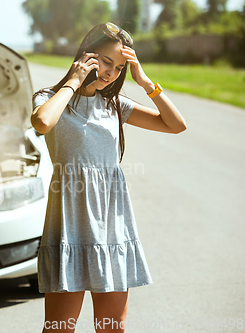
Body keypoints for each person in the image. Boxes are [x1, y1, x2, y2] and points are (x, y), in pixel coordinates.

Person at [31, 22, 187, 333]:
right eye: (105, 61)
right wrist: (74, 81)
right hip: (70, 227)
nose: (110, 73)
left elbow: (176, 125)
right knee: (59, 329)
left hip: (111, 225)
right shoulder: (52, 98)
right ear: (85, 54)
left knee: (112, 328)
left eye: (119, 67)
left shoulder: (115, 104)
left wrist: (144, 82)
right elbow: (42, 122)